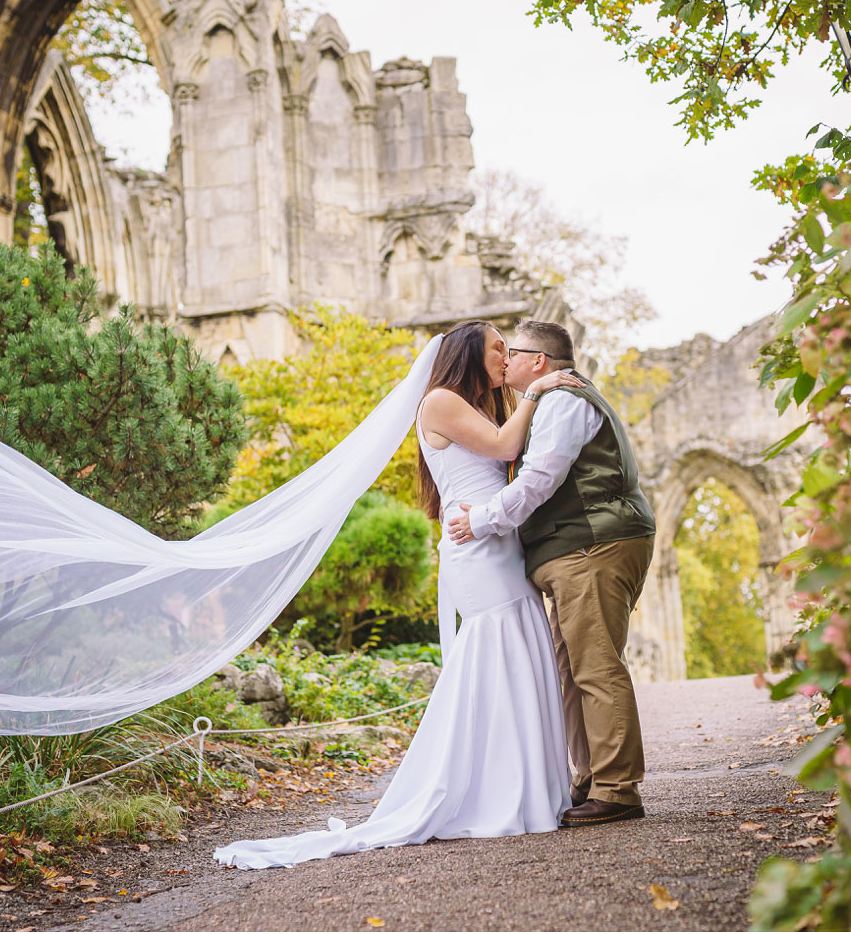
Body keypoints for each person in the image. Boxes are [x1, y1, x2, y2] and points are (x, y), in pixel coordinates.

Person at [213, 320, 585, 869]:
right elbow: (507, 447)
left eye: (510, 348)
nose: (507, 356)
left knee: (520, 648)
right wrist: (539, 387)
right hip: (476, 549)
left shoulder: (484, 407)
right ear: (467, 355)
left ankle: (529, 787)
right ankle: (500, 794)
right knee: (498, 649)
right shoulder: (440, 401)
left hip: (496, 540)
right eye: (497, 348)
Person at [446, 319, 656, 828]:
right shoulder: (544, 402)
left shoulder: (564, 401)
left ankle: (617, 788)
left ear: (537, 361)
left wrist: (480, 521)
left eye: (510, 352)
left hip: (594, 544)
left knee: (595, 665)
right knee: (571, 671)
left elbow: (540, 479)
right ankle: (588, 779)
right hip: (576, 549)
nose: (505, 361)